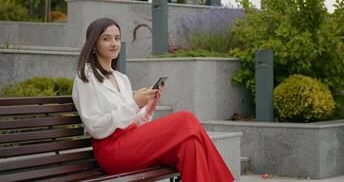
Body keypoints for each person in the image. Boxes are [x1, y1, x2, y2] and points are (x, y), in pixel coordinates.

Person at [72, 17, 235, 182]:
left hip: (130, 142)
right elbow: (95, 127)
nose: (114, 43)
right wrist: (134, 103)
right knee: (186, 118)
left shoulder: (121, 79)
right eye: (106, 39)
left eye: (117, 38)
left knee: (190, 145)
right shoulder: (86, 77)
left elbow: (133, 122)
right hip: (111, 150)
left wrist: (149, 106)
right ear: (93, 45)